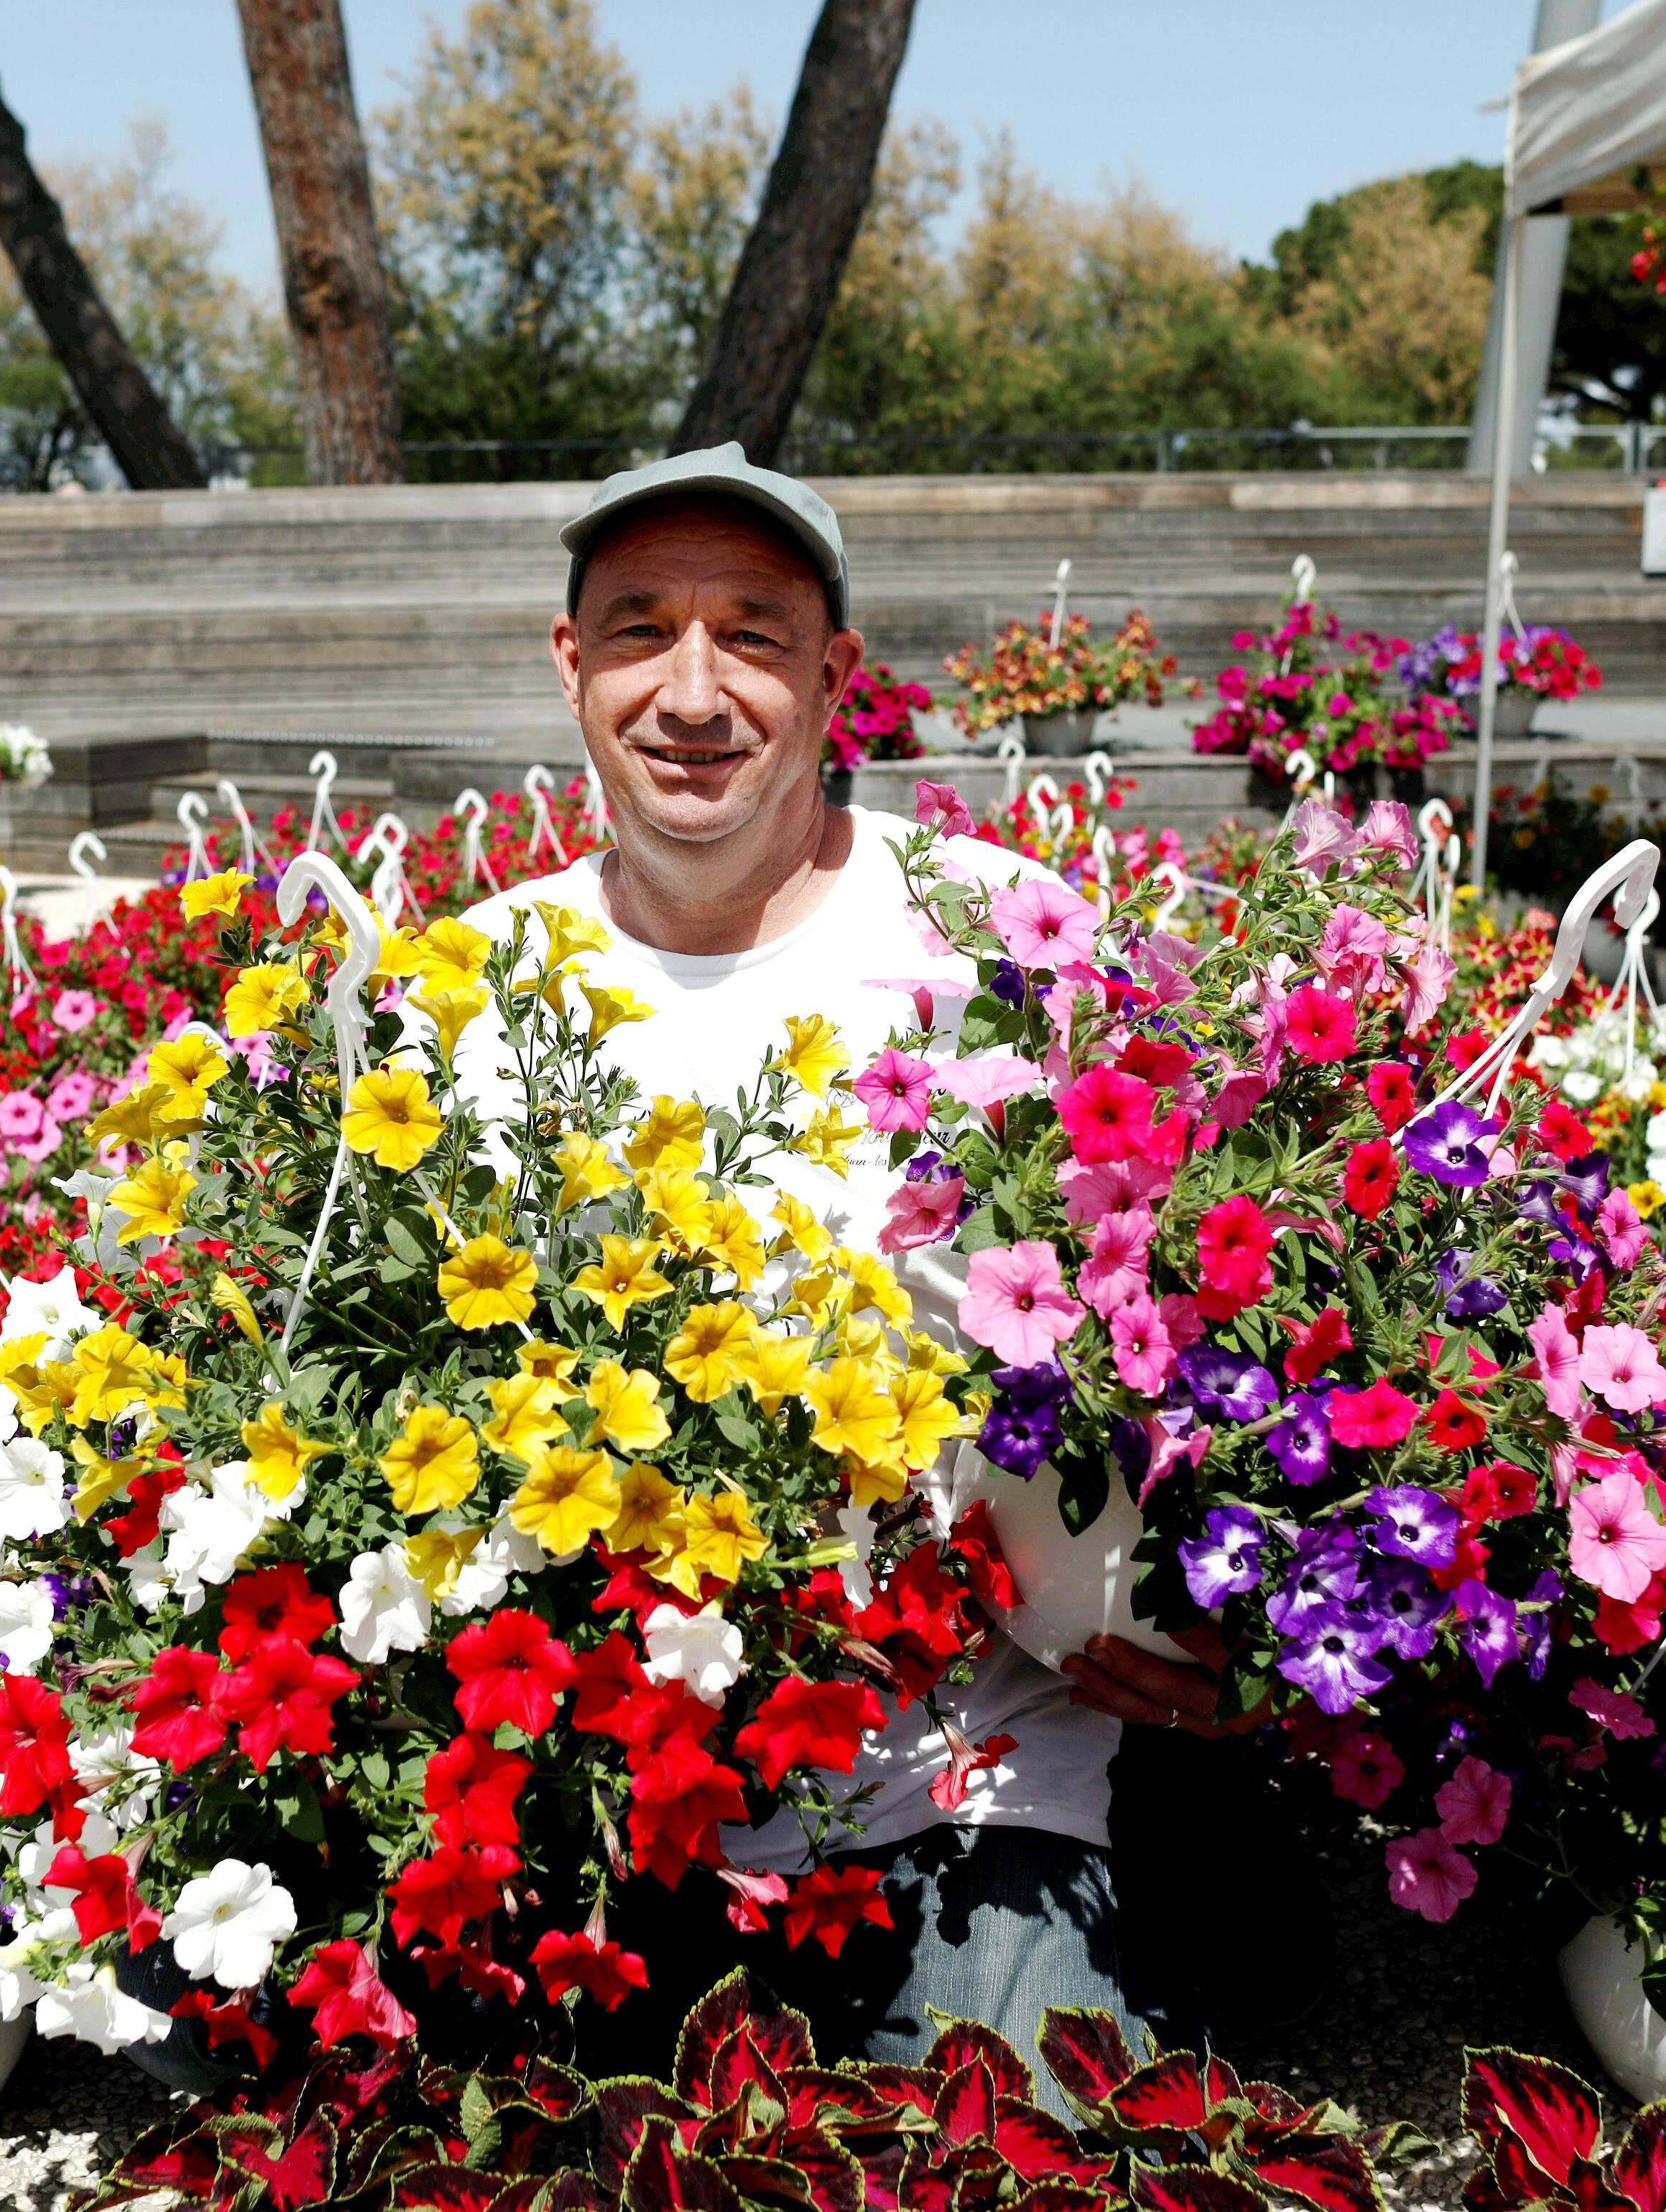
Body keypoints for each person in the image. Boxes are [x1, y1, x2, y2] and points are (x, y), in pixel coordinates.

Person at [454, 445, 1244, 2068]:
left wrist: (1257, 1622)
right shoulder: (470, 987)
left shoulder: (995, 932)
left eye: (750, 630)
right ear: (568, 662)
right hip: (603, 1787)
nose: (692, 688)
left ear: (833, 672)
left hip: (969, 1767)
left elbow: (1205, 1312)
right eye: (639, 628)